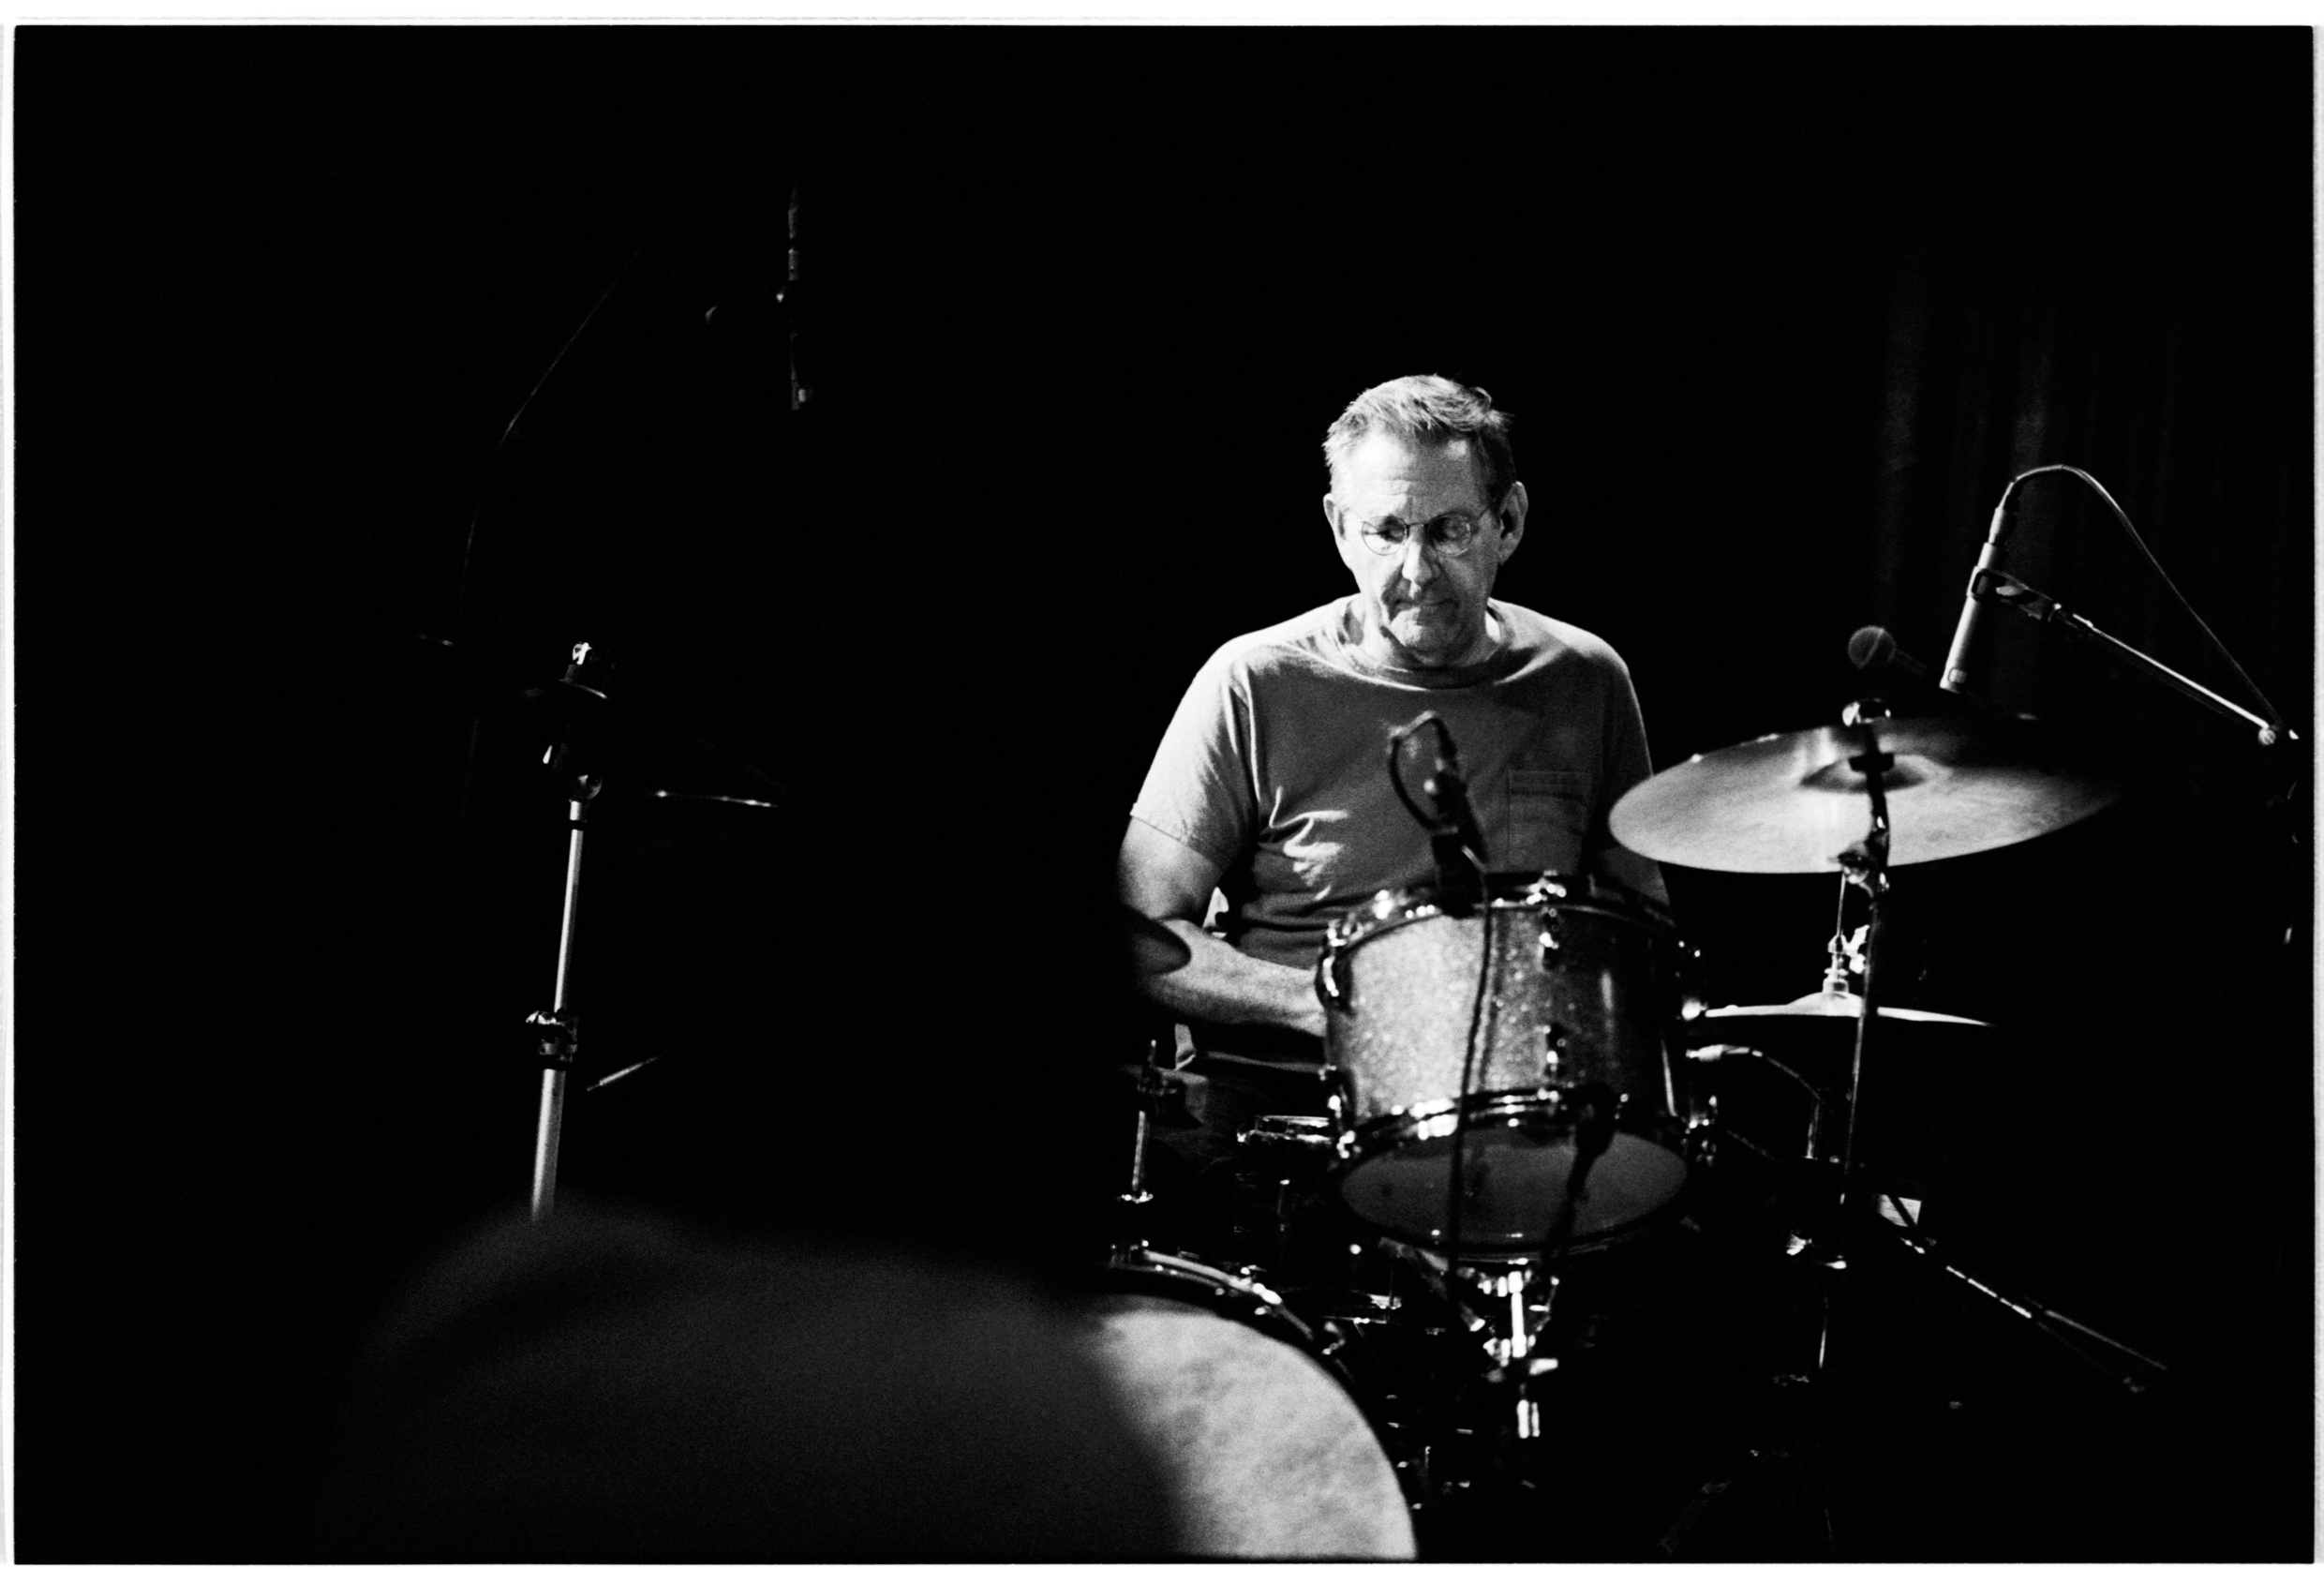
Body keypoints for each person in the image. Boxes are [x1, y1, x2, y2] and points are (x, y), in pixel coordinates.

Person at [1116, 374, 1669, 1249]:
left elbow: (1641, 931)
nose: (1416, 571)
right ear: (1341, 528)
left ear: (1508, 522)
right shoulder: (1253, 681)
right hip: (1284, 1101)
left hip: (1512, 1106)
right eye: (1385, 532)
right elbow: (1136, 932)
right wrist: (1324, 1004)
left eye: (1448, 530)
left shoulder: (1587, 680)